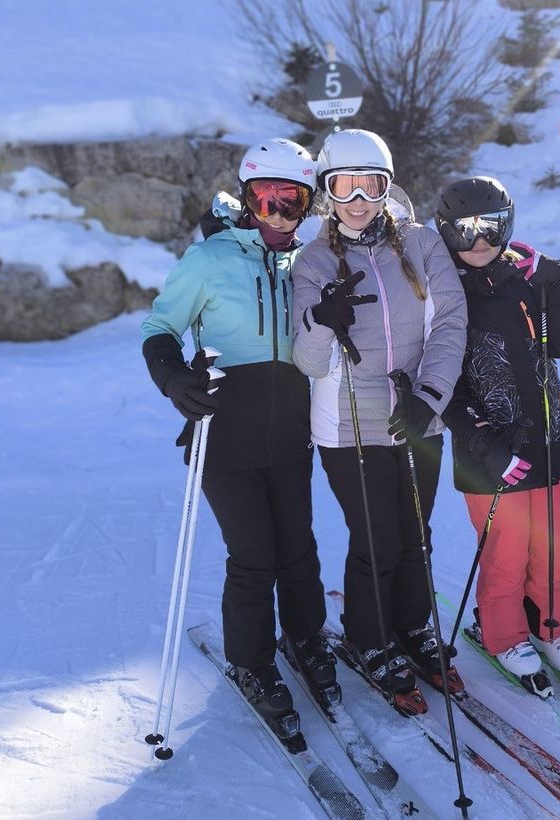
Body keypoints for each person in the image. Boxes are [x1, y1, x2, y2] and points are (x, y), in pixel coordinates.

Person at [141, 139, 336, 722]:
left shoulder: (307, 262)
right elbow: (159, 326)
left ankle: (307, 641)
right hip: (225, 434)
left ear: (308, 203)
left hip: (289, 431)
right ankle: (251, 661)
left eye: (292, 200)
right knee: (254, 556)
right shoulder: (210, 260)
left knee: (298, 550)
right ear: (248, 199)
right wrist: (176, 381)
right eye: (265, 198)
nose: (278, 212)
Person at [292, 128, 467, 707]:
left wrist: (429, 396)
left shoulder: (419, 245)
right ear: (327, 193)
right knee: (377, 537)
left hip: (419, 413)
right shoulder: (313, 260)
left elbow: (450, 322)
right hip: (349, 425)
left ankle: (415, 625)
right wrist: (324, 318)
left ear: (387, 186)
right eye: (345, 187)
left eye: (372, 185)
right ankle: (371, 638)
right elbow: (308, 360)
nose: (360, 200)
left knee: (417, 533)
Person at [435, 175, 560, 692]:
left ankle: (554, 628)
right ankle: (504, 634)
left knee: (555, 548)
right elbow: (440, 386)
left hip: (551, 441)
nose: (479, 242)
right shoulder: (442, 294)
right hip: (492, 454)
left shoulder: (528, 282)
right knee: (505, 551)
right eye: (464, 232)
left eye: (491, 228)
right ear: (445, 232)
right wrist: (484, 445)